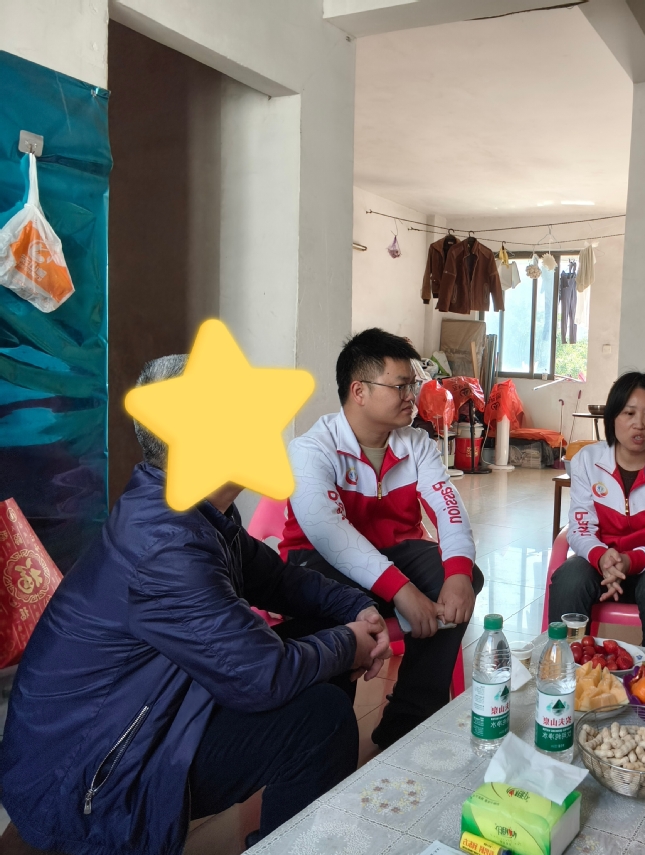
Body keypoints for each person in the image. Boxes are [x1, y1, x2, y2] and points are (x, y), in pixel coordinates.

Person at [0, 355, 391, 855]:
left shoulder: (196, 512)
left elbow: (278, 580)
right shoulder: (166, 543)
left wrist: (357, 610)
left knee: (321, 635)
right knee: (322, 720)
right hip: (85, 779)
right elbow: (262, 675)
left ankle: (281, 829)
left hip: (148, 711)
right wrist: (349, 645)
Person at [280, 328, 483, 749]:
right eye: (400, 386)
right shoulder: (311, 449)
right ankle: (329, 738)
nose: (412, 396)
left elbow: (448, 508)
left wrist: (459, 573)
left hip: (395, 552)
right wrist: (402, 593)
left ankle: (409, 722)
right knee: (344, 605)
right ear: (359, 391)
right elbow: (332, 537)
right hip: (319, 562)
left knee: (459, 579)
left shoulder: (417, 445)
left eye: (413, 385)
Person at [547, 372, 645, 647]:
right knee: (570, 578)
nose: (639, 425)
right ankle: (563, 663)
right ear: (612, 417)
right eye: (629, 413)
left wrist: (629, 560)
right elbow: (580, 528)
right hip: (602, 563)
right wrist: (601, 557)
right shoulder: (587, 460)